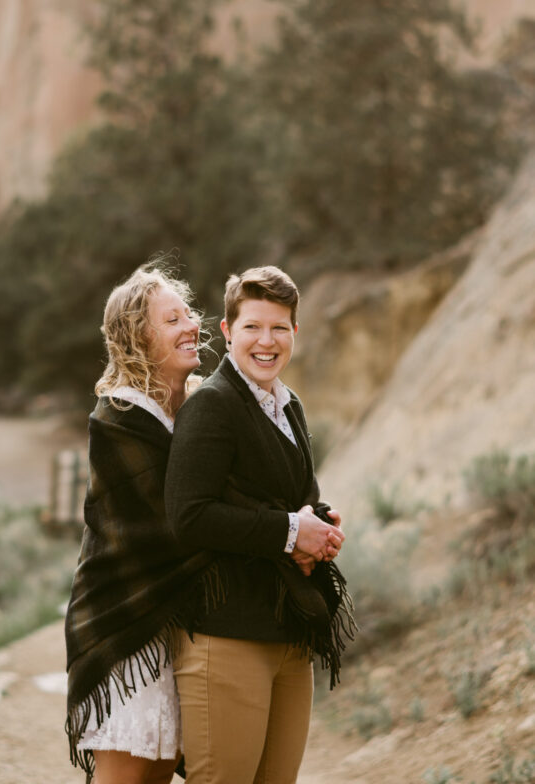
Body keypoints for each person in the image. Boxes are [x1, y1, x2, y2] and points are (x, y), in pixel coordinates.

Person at [165, 265, 355, 784]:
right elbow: (188, 515)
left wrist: (317, 522)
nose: (266, 341)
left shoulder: (288, 404)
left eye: (279, 327)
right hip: (227, 636)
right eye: (252, 327)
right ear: (227, 332)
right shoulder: (212, 406)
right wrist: (290, 532)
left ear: (295, 331)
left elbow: (290, 497)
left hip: (287, 633)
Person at [64, 264, 218, 784]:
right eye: (172, 318)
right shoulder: (117, 422)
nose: (191, 324)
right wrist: (272, 535)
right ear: (138, 338)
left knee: (154, 773)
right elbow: (175, 526)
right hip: (124, 624)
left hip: (175, 629)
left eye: (189, 313)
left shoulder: (199, 411)